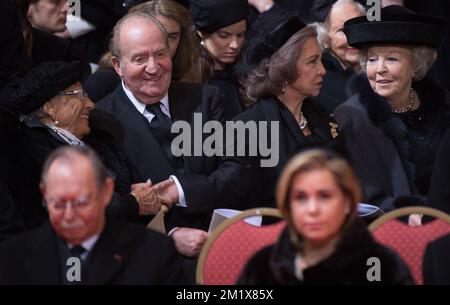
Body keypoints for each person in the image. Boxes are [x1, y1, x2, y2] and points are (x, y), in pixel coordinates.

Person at [96, 12, 230, 258]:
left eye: (160, 54)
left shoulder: (206, 99)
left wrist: (180, 190)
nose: (153, 67)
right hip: (154, 259)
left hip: (224, 241)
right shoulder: (101, 121)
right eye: (139, 58)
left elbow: (237, 172)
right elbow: (109, 210)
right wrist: (169, 236)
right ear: (118, 66)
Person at [1, 61, 163, 233]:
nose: (90, 104)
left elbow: (132, 182)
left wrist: (142, 194)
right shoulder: (29, 151)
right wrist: (132, 203)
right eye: (78, 95)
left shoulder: (98, 137)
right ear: (50, 108)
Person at [0, 146, 189, 284]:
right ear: (44, 194)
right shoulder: (11, 258)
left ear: (106, 192)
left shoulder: (154, 251)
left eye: (81, 203)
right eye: (57, 204)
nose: (69, 216)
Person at [333, 6, 450, 222]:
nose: (379, 69)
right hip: (384, 230)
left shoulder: (442, 109)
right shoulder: (351, 117)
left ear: (415, 65)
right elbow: (359, 195)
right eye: (372, 59)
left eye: (392, 59)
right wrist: (409, 213)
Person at [238, 149, 414, 284]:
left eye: (324, 196)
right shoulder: (262, 267)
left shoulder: (383, 266)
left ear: (347, 201)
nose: (312, 209)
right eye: (300, 198)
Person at [230, 11, 338, 209]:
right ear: (285, 69)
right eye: (312, 61)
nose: (322, 70)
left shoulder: (324, 118)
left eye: (321, 60)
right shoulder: (247, 129)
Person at [84, 0, 198, 102]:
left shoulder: (191, 77)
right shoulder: (103, 84)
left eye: (172, 36)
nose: (164, 44)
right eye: (155, 36)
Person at [190, 0, 249, 119]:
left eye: (240, 35)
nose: (235, 45)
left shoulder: (244, 75)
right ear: (201, 33)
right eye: (224, 36)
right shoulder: (189, 80)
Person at [314, 0, 365, 114]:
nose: (354, 38)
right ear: (325, 38)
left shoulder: (381, 73)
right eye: (342, 30)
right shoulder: (318, 84)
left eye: (359, 26)